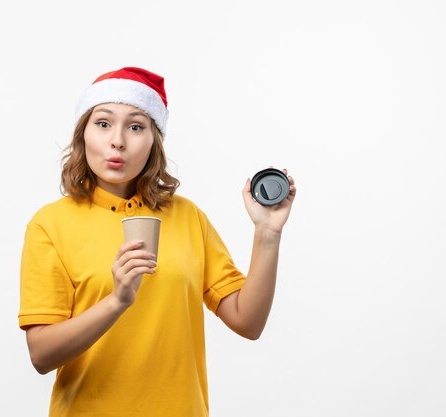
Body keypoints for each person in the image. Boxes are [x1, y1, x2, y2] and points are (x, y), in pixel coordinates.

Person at [18, 67, 297, 417]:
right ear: (83, 134)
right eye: (103, 123)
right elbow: (41, 355)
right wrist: (117, 301)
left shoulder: (187, 217)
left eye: (136, 126)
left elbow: (248, 322)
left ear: (154, 140)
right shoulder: (50, 224)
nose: (117, 140)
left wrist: (268, 234)